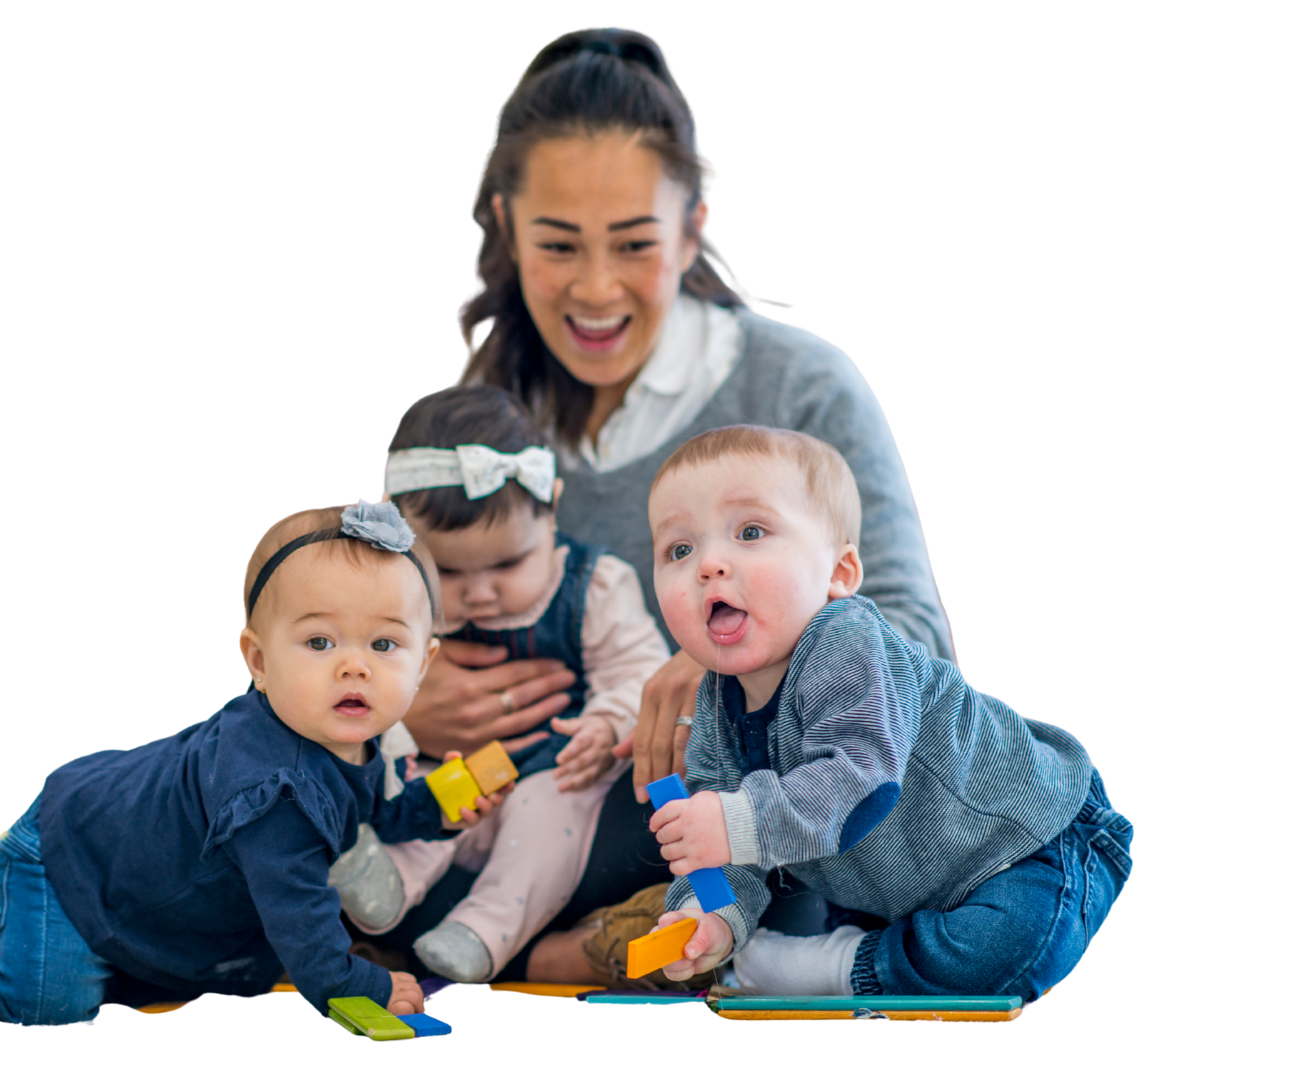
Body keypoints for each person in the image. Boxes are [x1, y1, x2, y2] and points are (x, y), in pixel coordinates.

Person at [392, 26, 957, 985]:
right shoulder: (495, 394)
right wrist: (413, 687)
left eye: (635, 244)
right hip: (511, 793)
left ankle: (568, 944)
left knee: (728, 838)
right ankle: (562, 947)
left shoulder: (808, 390)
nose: (597, 290)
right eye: (558, 246)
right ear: (503, 221)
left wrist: (718, 669)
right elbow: (407, 578)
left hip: (713, 797)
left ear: (697, 220)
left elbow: (919, 654)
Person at [642, 425, 1138, 998]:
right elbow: (730, 849)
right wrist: (708, 919)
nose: (709, 564)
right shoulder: (715, 701)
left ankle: (834, 970)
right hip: (888, 890)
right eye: (679, 549)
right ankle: (855, 960)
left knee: (1007, 951)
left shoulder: (847, 641)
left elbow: (860, 779)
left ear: (839, 574)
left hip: (1027, 842)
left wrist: (730, 821)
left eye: (750, 531)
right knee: (918, 945)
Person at [0, 501, 513, 1024]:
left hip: (139, 858)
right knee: (45, 1008)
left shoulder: (355, 737)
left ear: (424, 662)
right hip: (73, 853)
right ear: (258, 660)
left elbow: (372, 811)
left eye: (384, 643)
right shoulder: (273, 789)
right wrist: (357, 986)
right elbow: (299, 918)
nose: (355, 667)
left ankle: (106, 949)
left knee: (165, 980)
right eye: (320, 641)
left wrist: (437, 810)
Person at [327, 385, 670, 984]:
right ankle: (383, 890)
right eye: (450, 571)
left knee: (546, 823)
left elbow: (640, 672)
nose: (481, 592)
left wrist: (608, 723)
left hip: (554, 772)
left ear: (552, 510)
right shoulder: (389, 597)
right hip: (448, 769)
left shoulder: (592, 585)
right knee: (414, 797)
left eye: (509, 565)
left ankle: (483, 932)